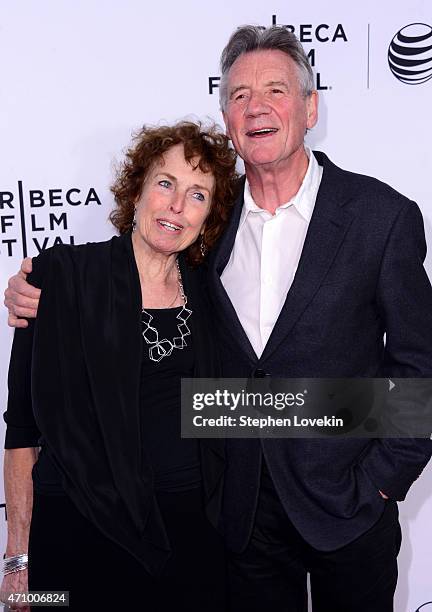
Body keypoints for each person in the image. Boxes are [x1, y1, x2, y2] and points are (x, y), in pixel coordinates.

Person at [5, 25, 432, 612]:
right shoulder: (209, 228)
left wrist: (380, 481)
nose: (256, 107)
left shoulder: (380, 217)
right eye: (238, 95)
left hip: (349, 510)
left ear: (310, 107)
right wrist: (34, 289)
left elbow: (417, 368)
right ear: (228, 120)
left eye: (276, 91)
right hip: (235, 523)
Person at [1, 120, 237, 611]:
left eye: (197, 195)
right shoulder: (59, 277)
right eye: (166, 183)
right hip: (73, 539)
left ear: (208, 217)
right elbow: (21, 431)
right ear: (136, 192)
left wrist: (379, 414)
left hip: (191, 543)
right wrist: (17, 563)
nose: (176, 205)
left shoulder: (212, 293)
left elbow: (228, 409)